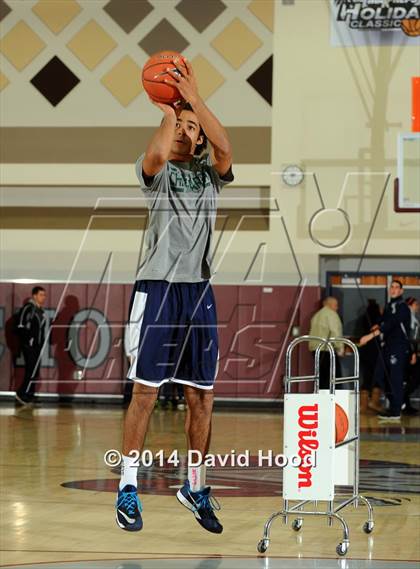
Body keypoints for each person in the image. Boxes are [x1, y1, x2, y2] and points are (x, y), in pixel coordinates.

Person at [116, 57, 233, 534]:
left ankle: (195, 486)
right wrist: (168, 109)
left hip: (198, 291)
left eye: (192, 128)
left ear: (200, 136)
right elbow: (155, 158)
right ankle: (127, 486)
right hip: (158, 287)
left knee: (201, 398)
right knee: (144, 394)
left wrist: (196, 101)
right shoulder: (161, 174)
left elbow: (225, 149)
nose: (186, 131)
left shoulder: (210, 176)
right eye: (180, 126)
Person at [359, 279, 411, 422]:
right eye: (392, 287)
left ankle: (395, 410)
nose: (393, 289)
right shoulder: (389, 305)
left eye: (396, 287)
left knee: (395, 378)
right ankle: (397, 402)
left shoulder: (402, 307)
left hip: (398, 347)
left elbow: (391, 323)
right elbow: (383, 321)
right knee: (379, 375)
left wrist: (370, 336)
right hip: (387, 346)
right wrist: (376, 324)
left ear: (401, 291)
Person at [15, 286, 47, 405]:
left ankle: (30, 394)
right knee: (30, 369)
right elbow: (20, 325)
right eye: (41, 295)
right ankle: (21, 393)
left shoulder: (41, 311)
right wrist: (28, 340)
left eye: (44, 295)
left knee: (35, 371)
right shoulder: (28, 308)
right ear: (34, 296)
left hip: (38, 345)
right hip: (29, 345)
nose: (43, 297)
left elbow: (41, 330)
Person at [308, 297, 344, 389]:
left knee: (321, 378)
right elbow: (335, 332)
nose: (337, 308)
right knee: (334, 378)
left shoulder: (316, 315)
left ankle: (322, 400)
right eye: (336, 305)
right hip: (327, 350)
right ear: (329, 304)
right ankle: (334, 400)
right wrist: (340, 348)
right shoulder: (332, 315)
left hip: (315, 349)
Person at [359, 299, 382, 413]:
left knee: (366, 378)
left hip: (364, 352)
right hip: (375, 353)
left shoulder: (364, 319)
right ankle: (374, 403)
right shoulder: (378, 321)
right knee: (377, 378)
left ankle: (363, 406)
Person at [402, 297, 419, 415]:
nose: (417, 307)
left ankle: (406, 404)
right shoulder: (408, 320)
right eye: (415, 304)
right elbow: (409, 339)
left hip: (412, 352)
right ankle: (403, 401)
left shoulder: (413, 319)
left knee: (410, 380)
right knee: (413, 379)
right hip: (409, 353)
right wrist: (413, 353)